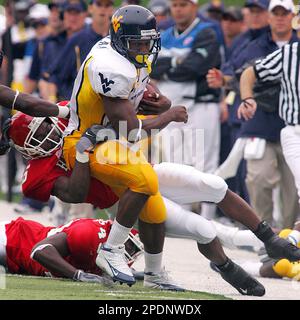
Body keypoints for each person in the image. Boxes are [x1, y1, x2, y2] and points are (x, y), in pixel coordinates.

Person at [62, 5, 188, 287]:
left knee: (154, 207)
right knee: (144, 179)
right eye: (138, 43)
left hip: (110, 139)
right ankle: (111, 249)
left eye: (148, 42)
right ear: (121, 41)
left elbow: (140, 80)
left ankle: (154, 275)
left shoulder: (127, 52)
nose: (144, 48)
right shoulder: (110, 66)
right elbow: (131, 130)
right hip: (85, 142)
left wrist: (158, 98)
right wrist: (167, 115)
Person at [238, 40, 300, 222]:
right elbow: (250, 73)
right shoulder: (289, 53)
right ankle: (269, 237)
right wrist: (247, 98)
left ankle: (288, 238)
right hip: (295, 131)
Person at [0, 216, 142, 284]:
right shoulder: (90, 234)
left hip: (18, 263)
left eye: (133, 250)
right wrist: (78, 275)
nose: (130, 253)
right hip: (11, 240)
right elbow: (39, 250)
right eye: (130, 246)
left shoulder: (108, 247)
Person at [44, 0, 114, 101]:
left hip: (110, 103)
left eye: (107, 5)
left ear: (112, 9)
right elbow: (55, 76)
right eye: (99, 4)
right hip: (77, 104)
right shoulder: (78, 39)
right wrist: (52, 101)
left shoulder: (118, 39)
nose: (103, 9)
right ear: (90, 9)